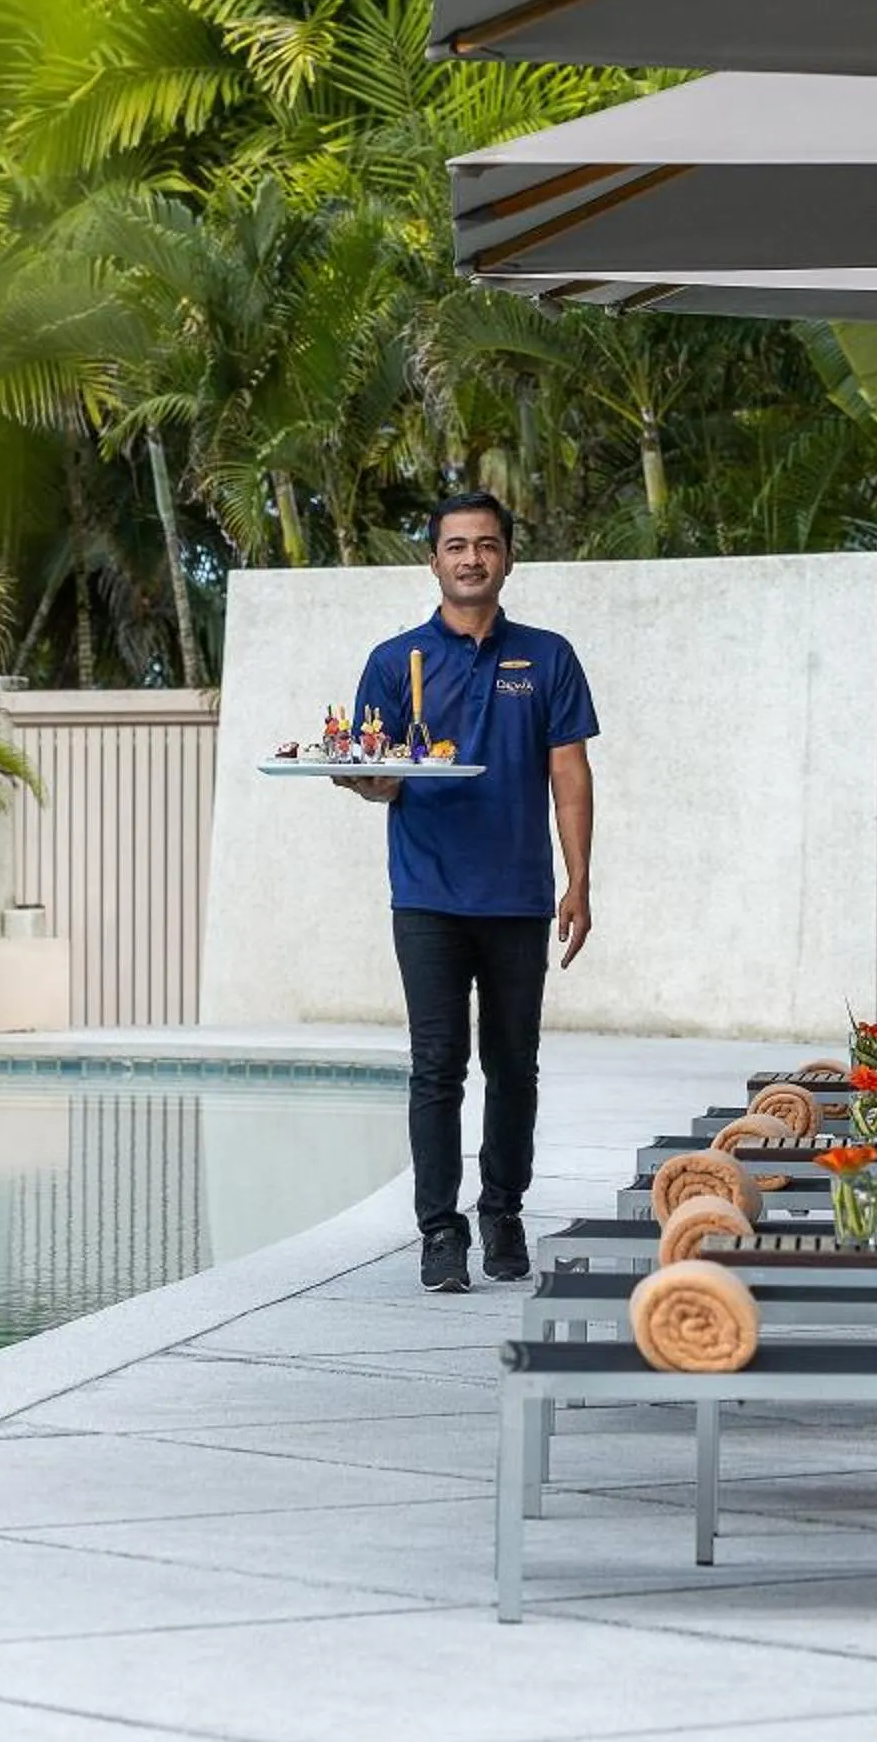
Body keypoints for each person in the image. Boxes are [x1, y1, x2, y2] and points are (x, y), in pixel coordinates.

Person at [335, 491, 596, 1293]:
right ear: (434, 560)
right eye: (456, 546)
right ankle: (439, 1231)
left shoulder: (547, 657)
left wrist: (579, 878)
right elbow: (373, 774)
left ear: (508, 556)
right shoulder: (392, 661)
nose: (471, 558)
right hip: (426, 896)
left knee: (515, 1066)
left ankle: (503, 1211)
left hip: (518, 895)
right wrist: (368, 782)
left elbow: (568, 773)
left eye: (486, 544)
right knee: (435, 1067)